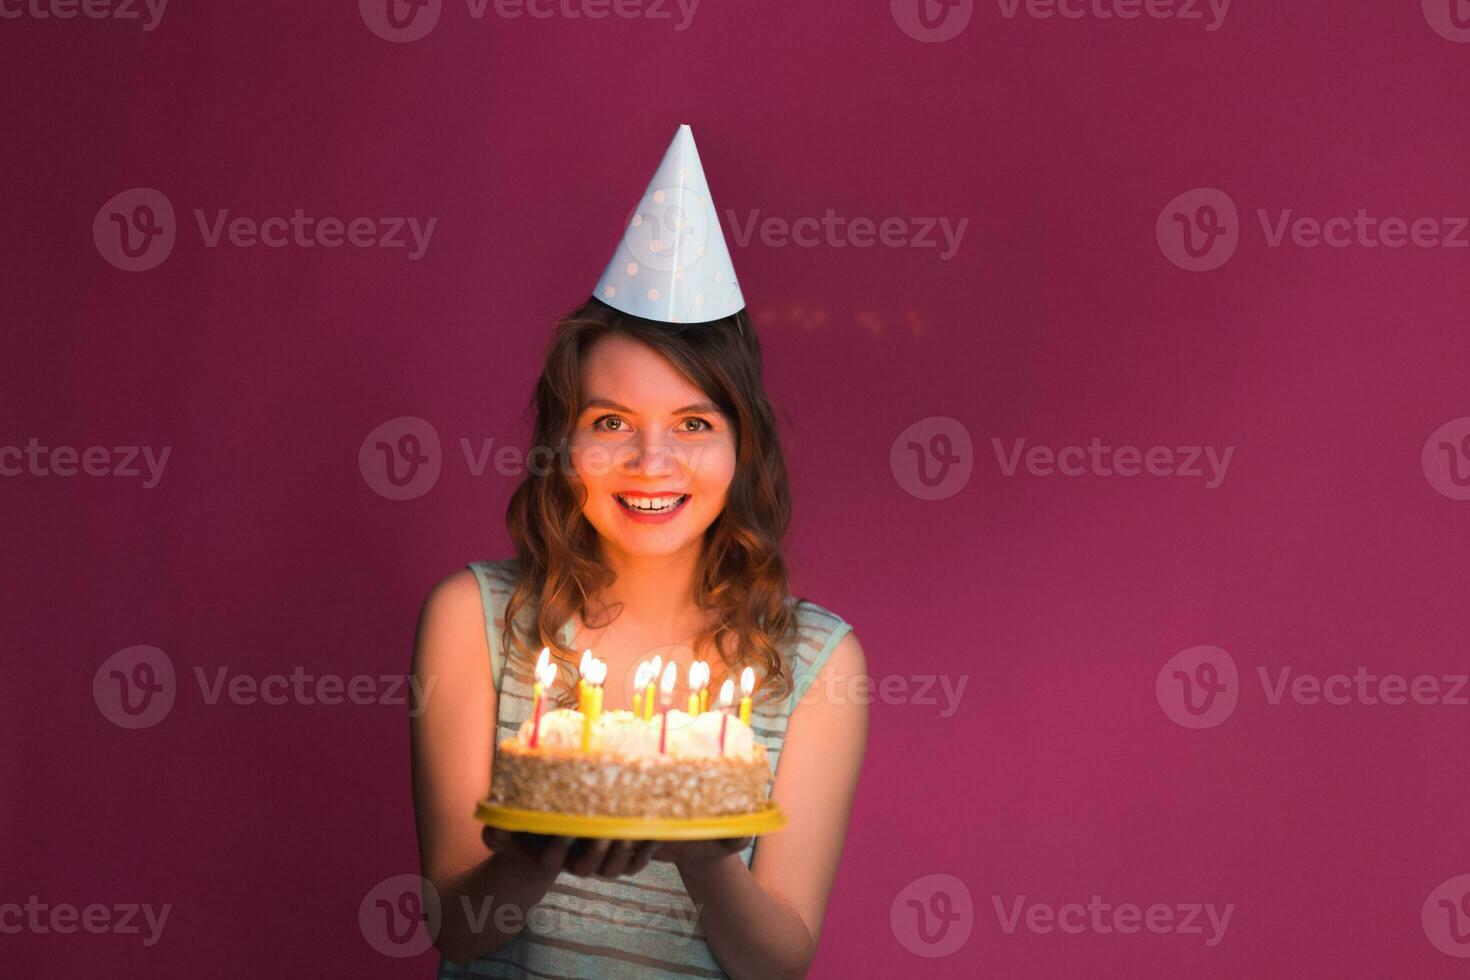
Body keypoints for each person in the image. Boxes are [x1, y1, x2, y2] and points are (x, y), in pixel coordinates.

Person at [410, 125, 867, 979]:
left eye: (693, 425)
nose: (652, 464)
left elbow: (777, 966)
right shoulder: (472, 618)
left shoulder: (818, 662)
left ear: (745, 446)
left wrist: (702, 854)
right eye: (611, 423)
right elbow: (453, 927)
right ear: (563, 442)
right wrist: (537, 851)